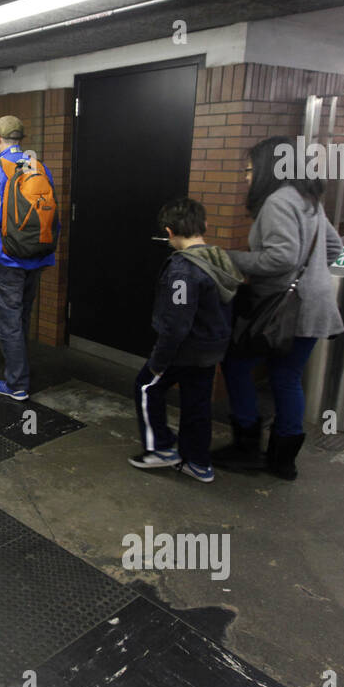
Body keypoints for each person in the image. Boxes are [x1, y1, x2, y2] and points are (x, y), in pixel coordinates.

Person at [212, 136, 344, 481]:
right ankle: (283, 460)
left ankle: (246, 446)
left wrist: (229, 257)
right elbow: (333, 246)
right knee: (287, 379)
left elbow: (281, 257)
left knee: (236, 365)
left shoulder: (276, 201)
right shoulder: (308, 199)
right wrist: (310, 275)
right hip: (312, 307)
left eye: (250, 169)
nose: (246, 177)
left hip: (282, 310)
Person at [130, 197, 242, 483]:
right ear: (204, 225)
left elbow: (176, 324)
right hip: (212, 348)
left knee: (146, 386)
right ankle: (198, 462)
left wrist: (158, 362)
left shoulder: (182, 270)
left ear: (168, 232)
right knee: (197, 402)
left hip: (185, 350)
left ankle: (161, 448)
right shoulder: (219, 258)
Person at [0, 115, 59, 401]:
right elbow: (52, 214)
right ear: (20, 140)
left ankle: (17, 384)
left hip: (6, 260)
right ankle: (19, 372)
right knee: (21, 317)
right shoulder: (38, 167)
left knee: (7, 323)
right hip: (36, 257)